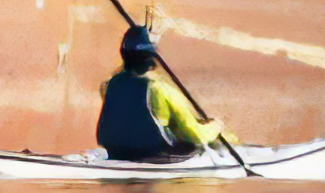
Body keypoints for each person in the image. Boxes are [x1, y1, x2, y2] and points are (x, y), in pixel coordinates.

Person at [96, 25, 239, 162]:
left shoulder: (111, 84)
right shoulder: (159, 89)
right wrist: (215, 127)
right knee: (202, 139)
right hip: (155, 154)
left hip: (117, 152)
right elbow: (195, 135)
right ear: (153, 56)